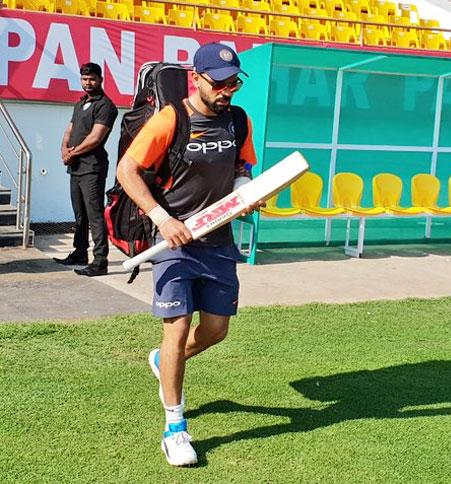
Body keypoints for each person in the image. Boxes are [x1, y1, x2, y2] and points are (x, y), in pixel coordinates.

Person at [116, 43, 261, 467]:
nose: (227, 90)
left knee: (216, 331)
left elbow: (242, 167)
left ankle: (163, 362)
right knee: (177, 329)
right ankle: (175, 428)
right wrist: (162, 217)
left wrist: (241, 192)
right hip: (174, 244)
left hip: (218, 242)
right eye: (218, 82)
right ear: (195, 78)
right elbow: (127, 170)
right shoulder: (171, 119)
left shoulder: (237, 120)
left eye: (233, 82)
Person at [53, 62, 118, 277]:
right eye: (84, 79)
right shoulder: (80, 104)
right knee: (80, 214)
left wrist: (72, 153)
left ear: (100, 80)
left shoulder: (106, 105)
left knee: (95, 214)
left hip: (93, 168)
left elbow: (96, 137)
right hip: (76, 167)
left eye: (91, 79)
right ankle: (80, 253)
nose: (87, 83)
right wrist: (64, 148)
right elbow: (70, 129)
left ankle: (100, 261)